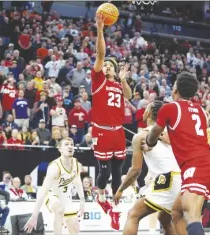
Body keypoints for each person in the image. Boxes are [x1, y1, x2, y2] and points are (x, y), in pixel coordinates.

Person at [144, 72, 210, 235]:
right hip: (206, 161)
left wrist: (150, 143)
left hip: (196, 164)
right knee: (176, 212)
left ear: (176, 89)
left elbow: (155, 132)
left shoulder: (170, 108)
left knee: (191, 215)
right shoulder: (200, 110)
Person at [113, 101, 182, 235]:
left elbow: (136, 170)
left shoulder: (141, 136)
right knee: (164, 218)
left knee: (133, 214)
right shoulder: (173, 132)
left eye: (145, 109)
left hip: (167, 179)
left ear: (149, 112)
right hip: (182, 179)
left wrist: (121, 189)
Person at [91, 13, 132, 230]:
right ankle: (99, 196)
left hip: (118, 132)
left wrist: (123, 80)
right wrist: (100, 29)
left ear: (115, 71)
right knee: (104, 172)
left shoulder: (118, 84)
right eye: (104, 65)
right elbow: (100, 53)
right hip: (102, 131)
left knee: (118, 173)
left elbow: (129, 95)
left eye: (110, 66)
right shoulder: (98, 80)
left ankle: (115, 210)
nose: (106, 67)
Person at [24, 138, 85, 234]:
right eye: (66, 144)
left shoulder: (76, 164)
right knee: (60, 210)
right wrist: (34, 215)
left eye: (71, 144)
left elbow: (78, 181)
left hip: (66, 197)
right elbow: (43, 190)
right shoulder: (55, 167)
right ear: (60, 149)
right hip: (52, 195)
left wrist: (82, 201)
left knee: (75, 228)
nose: (70, 146)